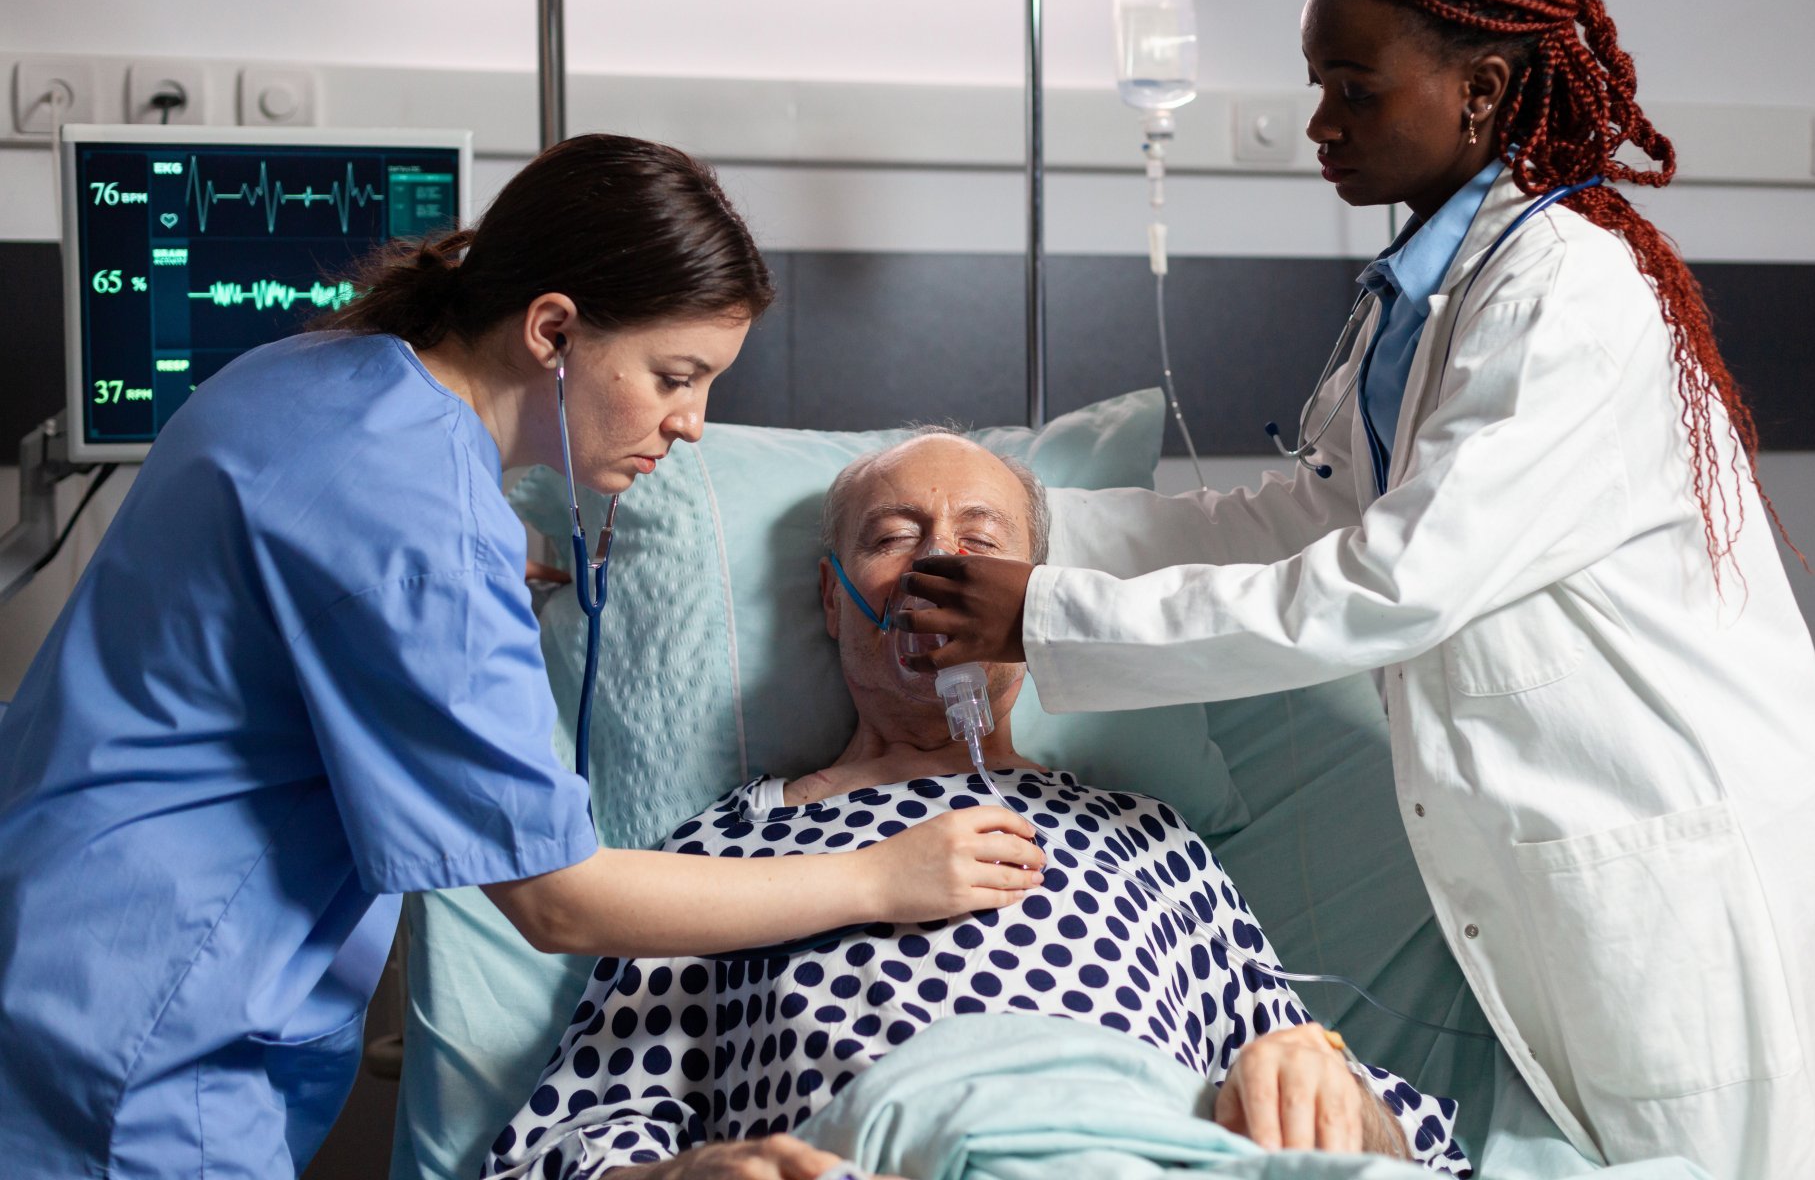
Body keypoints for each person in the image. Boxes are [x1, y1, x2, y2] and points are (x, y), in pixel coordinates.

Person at [891, 0, 1815, 1178]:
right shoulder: (1421, 301)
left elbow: (1388, 583)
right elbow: (1300, 519)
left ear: (1481, 90)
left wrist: (1041, 617)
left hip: (1674, 852)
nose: (1319, 123)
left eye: (1354, 90)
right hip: (1571, 869)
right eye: (1318, 83)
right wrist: (1033, 525)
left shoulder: (1567, 298)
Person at [0, 136, 1043, 1179]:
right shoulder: (427, 534)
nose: (691, 424)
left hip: (54, 937)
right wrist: (879, 876)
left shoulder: (310, 377)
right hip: (141, 1046)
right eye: (674, 376)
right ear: (553, 330)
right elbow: (556, 901)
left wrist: (478, 575)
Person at [482, 433, 1472, 1179]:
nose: (934, 564)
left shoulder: (1146, 837)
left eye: (978, 539)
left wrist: (1325, 1077)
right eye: (892, 536)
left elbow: (1366, 1123)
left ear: (1036, 599)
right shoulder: (723, 851)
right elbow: (573, 1132)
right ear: (833, 603)